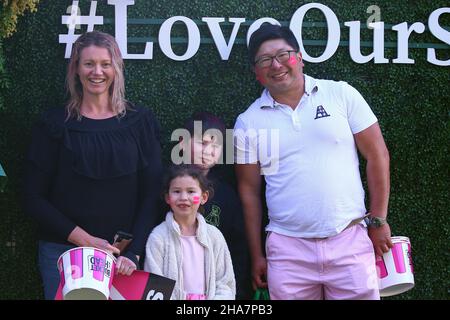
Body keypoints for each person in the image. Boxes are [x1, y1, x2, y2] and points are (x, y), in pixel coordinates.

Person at [234, 23, 392, 300]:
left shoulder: (341, 94)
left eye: (284, 54)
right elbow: (249, 192)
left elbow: (377, 154)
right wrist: (257, 254)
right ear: (256, 72)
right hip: (287, 251)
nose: (277, 64)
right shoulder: (248, 122)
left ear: (300, 57)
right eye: (265, 60)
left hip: (350, 239)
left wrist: (378, 220)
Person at [23, 31, 162, 299]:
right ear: (76, 68)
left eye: (105, 64)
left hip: (123, 261)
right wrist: (85, 241)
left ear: (116, 67)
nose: (97, 72)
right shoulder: (53, 125)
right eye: (88, 64)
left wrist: (133, 251)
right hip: (62, 254)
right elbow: (32, 197)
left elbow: (151, 193)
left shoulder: (140, 122)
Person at [179, 112, 252, 300]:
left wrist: (237, 292)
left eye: (216, 145)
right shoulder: (167, 187)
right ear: (182, 142)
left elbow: (238, 247)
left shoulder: (226, 195)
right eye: (202, 143)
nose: (209, 151)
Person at [144, 165, 236, 300]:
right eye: (176, 191)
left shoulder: (214, 236)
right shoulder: (158, 237)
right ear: (167, 198)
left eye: (191, 191)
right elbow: (155, 285)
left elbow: (225, 283)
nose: (183, 197)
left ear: (204, 197)